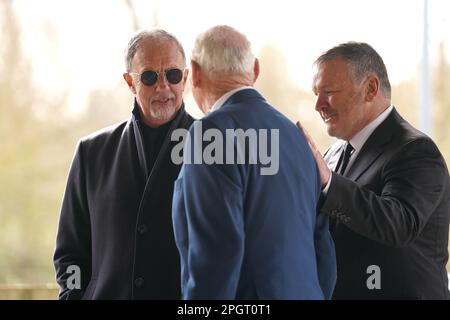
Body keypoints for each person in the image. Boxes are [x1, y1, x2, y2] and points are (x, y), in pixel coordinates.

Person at [172, 25, 336, 300]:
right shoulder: (297, 137)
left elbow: (217, 253)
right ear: (255, 70)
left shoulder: (210, 134)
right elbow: (322, 246)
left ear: (195, 73)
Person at [297, 41, 450, 299]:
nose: (318, 104)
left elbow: (398, 224)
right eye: (316, 94)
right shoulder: (332, 155)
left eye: (329, 91)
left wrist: (329, 183)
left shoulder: (416, 151)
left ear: (370, 89)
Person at [53, 29, 194, 299]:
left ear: (185, 78)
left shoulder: (215, 150)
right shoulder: (90, 153)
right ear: (130, 82)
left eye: (173, 75)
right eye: (150, 76)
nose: (163, 86)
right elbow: (69, 253)